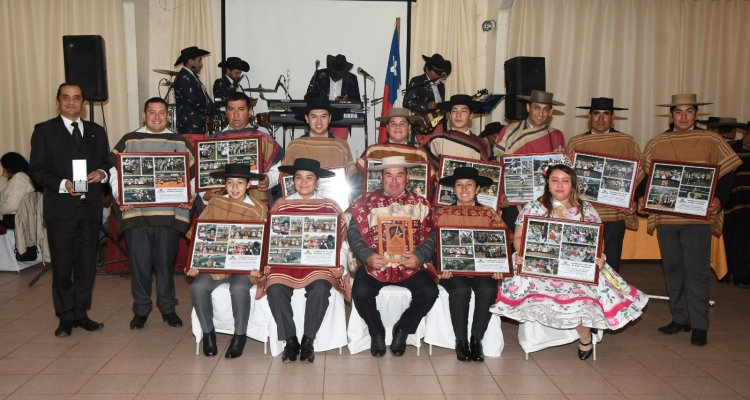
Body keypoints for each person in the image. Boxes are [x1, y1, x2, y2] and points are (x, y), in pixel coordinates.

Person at [491, 157, 648, 359]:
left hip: (575, 266)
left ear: (573, 183)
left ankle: (585, 337)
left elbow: (597, 242)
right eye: (555, 180)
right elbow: (519, 237)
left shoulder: (586, 209)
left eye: (565, 180)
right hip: (539, 263)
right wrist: (523, 254)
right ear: (547, 183)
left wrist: (599, 257)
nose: (560, 185)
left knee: (582, 294)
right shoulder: (534, 207)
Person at [638, 94, 742, 346]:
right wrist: (640, 198)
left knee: (696, 271)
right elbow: (647, 177)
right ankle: (680, 318)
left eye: (689, 111)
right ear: (671, 115)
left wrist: (720, 198)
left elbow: (727, 172)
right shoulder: (658, 142)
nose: (683, 116)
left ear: (696, 114)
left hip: (698, 217)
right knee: (673, 269)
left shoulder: (712, 139)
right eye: (678, 112)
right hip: (666, 217)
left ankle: (699, 324)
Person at [29, 83, 111, 337]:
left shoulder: (97, 131)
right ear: (58, 101)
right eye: (66, 98)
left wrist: (103, 173)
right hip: (61, 211)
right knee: (63, 268)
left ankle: (81, 313)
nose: (72, 102)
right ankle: (64, 317)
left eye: (77, 98)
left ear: (84, 103)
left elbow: (107, 161)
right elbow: (37, 170)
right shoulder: (43, 131)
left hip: (90, 212)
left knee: (87, 266)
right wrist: (63, 185)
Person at [108, 97, 195, 330]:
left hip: (167, 215)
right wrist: (120, 195)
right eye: (152, 113)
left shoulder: (179, 141)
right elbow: (114, 170)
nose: (157, 117)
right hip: (138, 215)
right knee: (140, 265)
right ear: (144, 115)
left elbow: (193, 175)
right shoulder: (130, 140)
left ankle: (168, 308)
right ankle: (141, 309)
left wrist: (191, 196)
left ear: (168, 116)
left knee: (166, 264)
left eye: (162, 113)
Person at [257, 158, 350, 363]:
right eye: (299, 177)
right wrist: (267, 262)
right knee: (274, 288)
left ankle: (308, 340)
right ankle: (291, 341)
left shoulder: (330, 206)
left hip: (319, 264)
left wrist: (339, 266)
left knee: (320, 287)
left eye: (309, 178)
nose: (304, 182)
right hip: (286, 262)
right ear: (293, 180)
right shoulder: (282, 205)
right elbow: (270, 241)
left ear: (317, 182)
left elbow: (341, 243)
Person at [347, 156, 439, 357]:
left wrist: (420, 256)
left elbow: (432, 236)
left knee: (430, 292)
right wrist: (368, 256)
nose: (394, 181)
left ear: (407, 177)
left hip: (410, 265)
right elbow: (353, 234)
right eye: (389, 175)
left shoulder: (421, 204)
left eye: (399, 175)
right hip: (376, 264)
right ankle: (376, 331)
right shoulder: (364, 202)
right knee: (361, 292)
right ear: (381, 177)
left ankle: (403, 330)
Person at [187, 163, 266, 358]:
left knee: (239, 288)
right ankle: (208, 334)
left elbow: (264, 244)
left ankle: (240, 336)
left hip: (244, 267)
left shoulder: (259, 209)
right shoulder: (215, 203)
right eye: (230, 183)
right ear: (224, 184)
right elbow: (199, 235)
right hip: (216, 263)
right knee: (198, 287)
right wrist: (195, 264)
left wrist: (259, 268)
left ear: (249, 185)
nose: (235, 187)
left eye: (240, 183)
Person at [434, 167, 506, 362]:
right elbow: (432, 246)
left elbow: (502, 245)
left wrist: (500, 269)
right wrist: (440, 271)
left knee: (488, 288)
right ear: (453, 189)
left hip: (482, 271)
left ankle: (476, 340)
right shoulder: (441, 214)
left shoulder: (490, 214)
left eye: (469, 185)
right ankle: (460, 341)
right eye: (459, 185)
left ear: (477, 188)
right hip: (453, 271)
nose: (464, 189)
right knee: (461, 290)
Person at [566, 97, 644, 272]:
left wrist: (634, 199)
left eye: (606, 114)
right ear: (589, 116)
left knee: (612, 261)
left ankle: (612, 297)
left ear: (613, 117)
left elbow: (640, 173)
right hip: (584, 212)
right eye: (596, 114)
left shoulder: (627, 142)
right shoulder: (576, 142)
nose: (601, 119)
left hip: (615, 213)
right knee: (582, 259)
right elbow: (566, 177)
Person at [494, 90, 567, 230]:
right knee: (510, 241)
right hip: (512, 200)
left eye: (545, 109)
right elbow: (496, 163)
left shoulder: (556, 135)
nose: (541, 114)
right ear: (528, 107)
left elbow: (562, 170)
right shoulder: (509, 131)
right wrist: (500, 191)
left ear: (550, 112)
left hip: (545, 202)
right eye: (537, 108)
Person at [201, 92, 284, 208]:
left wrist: (269, 179)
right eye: (231, 109)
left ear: (250, 111)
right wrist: (205, 195)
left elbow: (278, 170)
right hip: (222, 205)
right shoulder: (212, 141)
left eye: (241, 109)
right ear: (226, 112)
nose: (236, 114)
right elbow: (200, 177)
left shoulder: (264, 139)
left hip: (257, 203)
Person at [282, 97, 356, 178]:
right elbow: (285, 179)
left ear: (329, 118)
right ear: (307, 118)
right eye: (314, 116)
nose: (319, 121)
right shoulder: (295, 146)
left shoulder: (341, 146)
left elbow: (352, 177)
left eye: (323, 116)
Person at [423, 94, 491, 170]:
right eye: (454, 111)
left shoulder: (482, 144)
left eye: (463, 111)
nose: (458, 115)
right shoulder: (437, 140)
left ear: (471, 115)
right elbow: (425, 167)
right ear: (450, 115)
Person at [305, 54, 361, 140]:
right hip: (321, 117)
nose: (336, 77)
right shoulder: (319, 75)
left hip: (341, 119)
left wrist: (347, 100)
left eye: (339, 75)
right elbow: (308, 97)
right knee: (317, 147)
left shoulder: (351, 78)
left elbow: (357, 101)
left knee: (339, 148)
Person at [723, 121, 750, 287]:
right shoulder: (733, 150)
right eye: (748, 134)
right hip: (738, 201)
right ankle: (740, 275)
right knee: (737, 239)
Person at [403, 53, 452, 140]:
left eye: (439, 72)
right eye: (435, 72)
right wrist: (426, 105)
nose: (437, 74)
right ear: (427, 69)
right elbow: (407, 102)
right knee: (425, 150)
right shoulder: (417, 81)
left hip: (439, 123)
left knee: (439, 150)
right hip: (424, 124)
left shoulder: (441, 86)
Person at [173, 46, 211, 134]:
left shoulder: (190, 76)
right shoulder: (184, 77)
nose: (201, 64)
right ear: (191, 61)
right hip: (190, 127)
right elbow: (194, 101)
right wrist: (208, 111)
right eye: (199, 61)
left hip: (195, 125)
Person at [0, 152, 35, 229]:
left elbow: (12, 205)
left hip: (14, 218)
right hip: (11, 217)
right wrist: (4, 175)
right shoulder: (15, 178)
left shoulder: (20, 177)